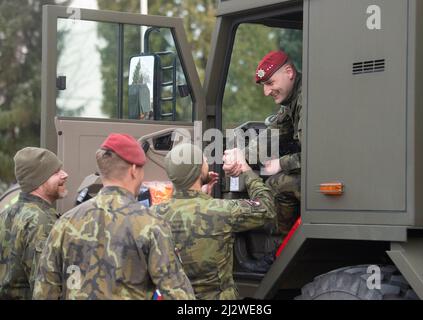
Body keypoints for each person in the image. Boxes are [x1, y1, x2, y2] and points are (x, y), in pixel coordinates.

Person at [32, 133, 195, 300]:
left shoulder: (65, 223)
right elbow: (179, 295)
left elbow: (44, 292)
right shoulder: (151, 223)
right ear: (133, 170)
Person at [150, 143, 276, 299]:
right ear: (198, 170)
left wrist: (201, 197)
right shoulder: (221, 211)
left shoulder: (152, 215)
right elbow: (266, 207)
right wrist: (246, 170)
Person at [226, 50, 302, 236]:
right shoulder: (294, 99)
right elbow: (273, 135)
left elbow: (319, 155)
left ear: (289, 73)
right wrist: (240, 156)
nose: (266, 91)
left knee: (277, 183)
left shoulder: (307, 100)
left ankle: (277, 251)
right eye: (264, 85)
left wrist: (281, 163)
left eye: (270, 83)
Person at [0, 147, 68, 299]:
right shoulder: (42, 222)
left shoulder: (6, 215)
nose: (65, 175)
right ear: (39, 180)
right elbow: (46, 288)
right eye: (56, 172)